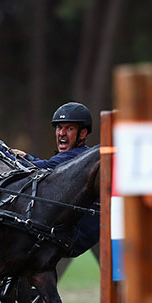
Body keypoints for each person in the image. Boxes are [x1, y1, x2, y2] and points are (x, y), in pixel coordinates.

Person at [16, 102, 98, 258]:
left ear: (82, 134)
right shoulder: (78, 155)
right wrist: (27, 157)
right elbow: (50, 164)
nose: (62, 133)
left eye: (69, 128)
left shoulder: (78, 158)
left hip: (73, 236)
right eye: (59, 128)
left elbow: (45, 167)